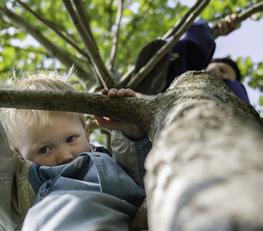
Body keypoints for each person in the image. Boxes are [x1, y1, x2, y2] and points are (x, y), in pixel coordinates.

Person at [0, 74, 150, 230]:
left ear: (86, 133)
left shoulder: (111, 162)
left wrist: (130, 131)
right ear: (19, 156)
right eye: (44, 149)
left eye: (71, 139)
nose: (65, 155)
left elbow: (141, 176)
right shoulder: (19, 192)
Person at [133, 18, 250, 104]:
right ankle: (159, 69)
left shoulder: (232, 87)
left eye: (225, 79)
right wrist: (215, 28)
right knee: (204, 39)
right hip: (172, 72)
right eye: (221, 69)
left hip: (182, 101)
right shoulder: (200, 54)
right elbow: (198, 33)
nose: (220, 75)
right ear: (212, 61)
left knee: (234, 88)